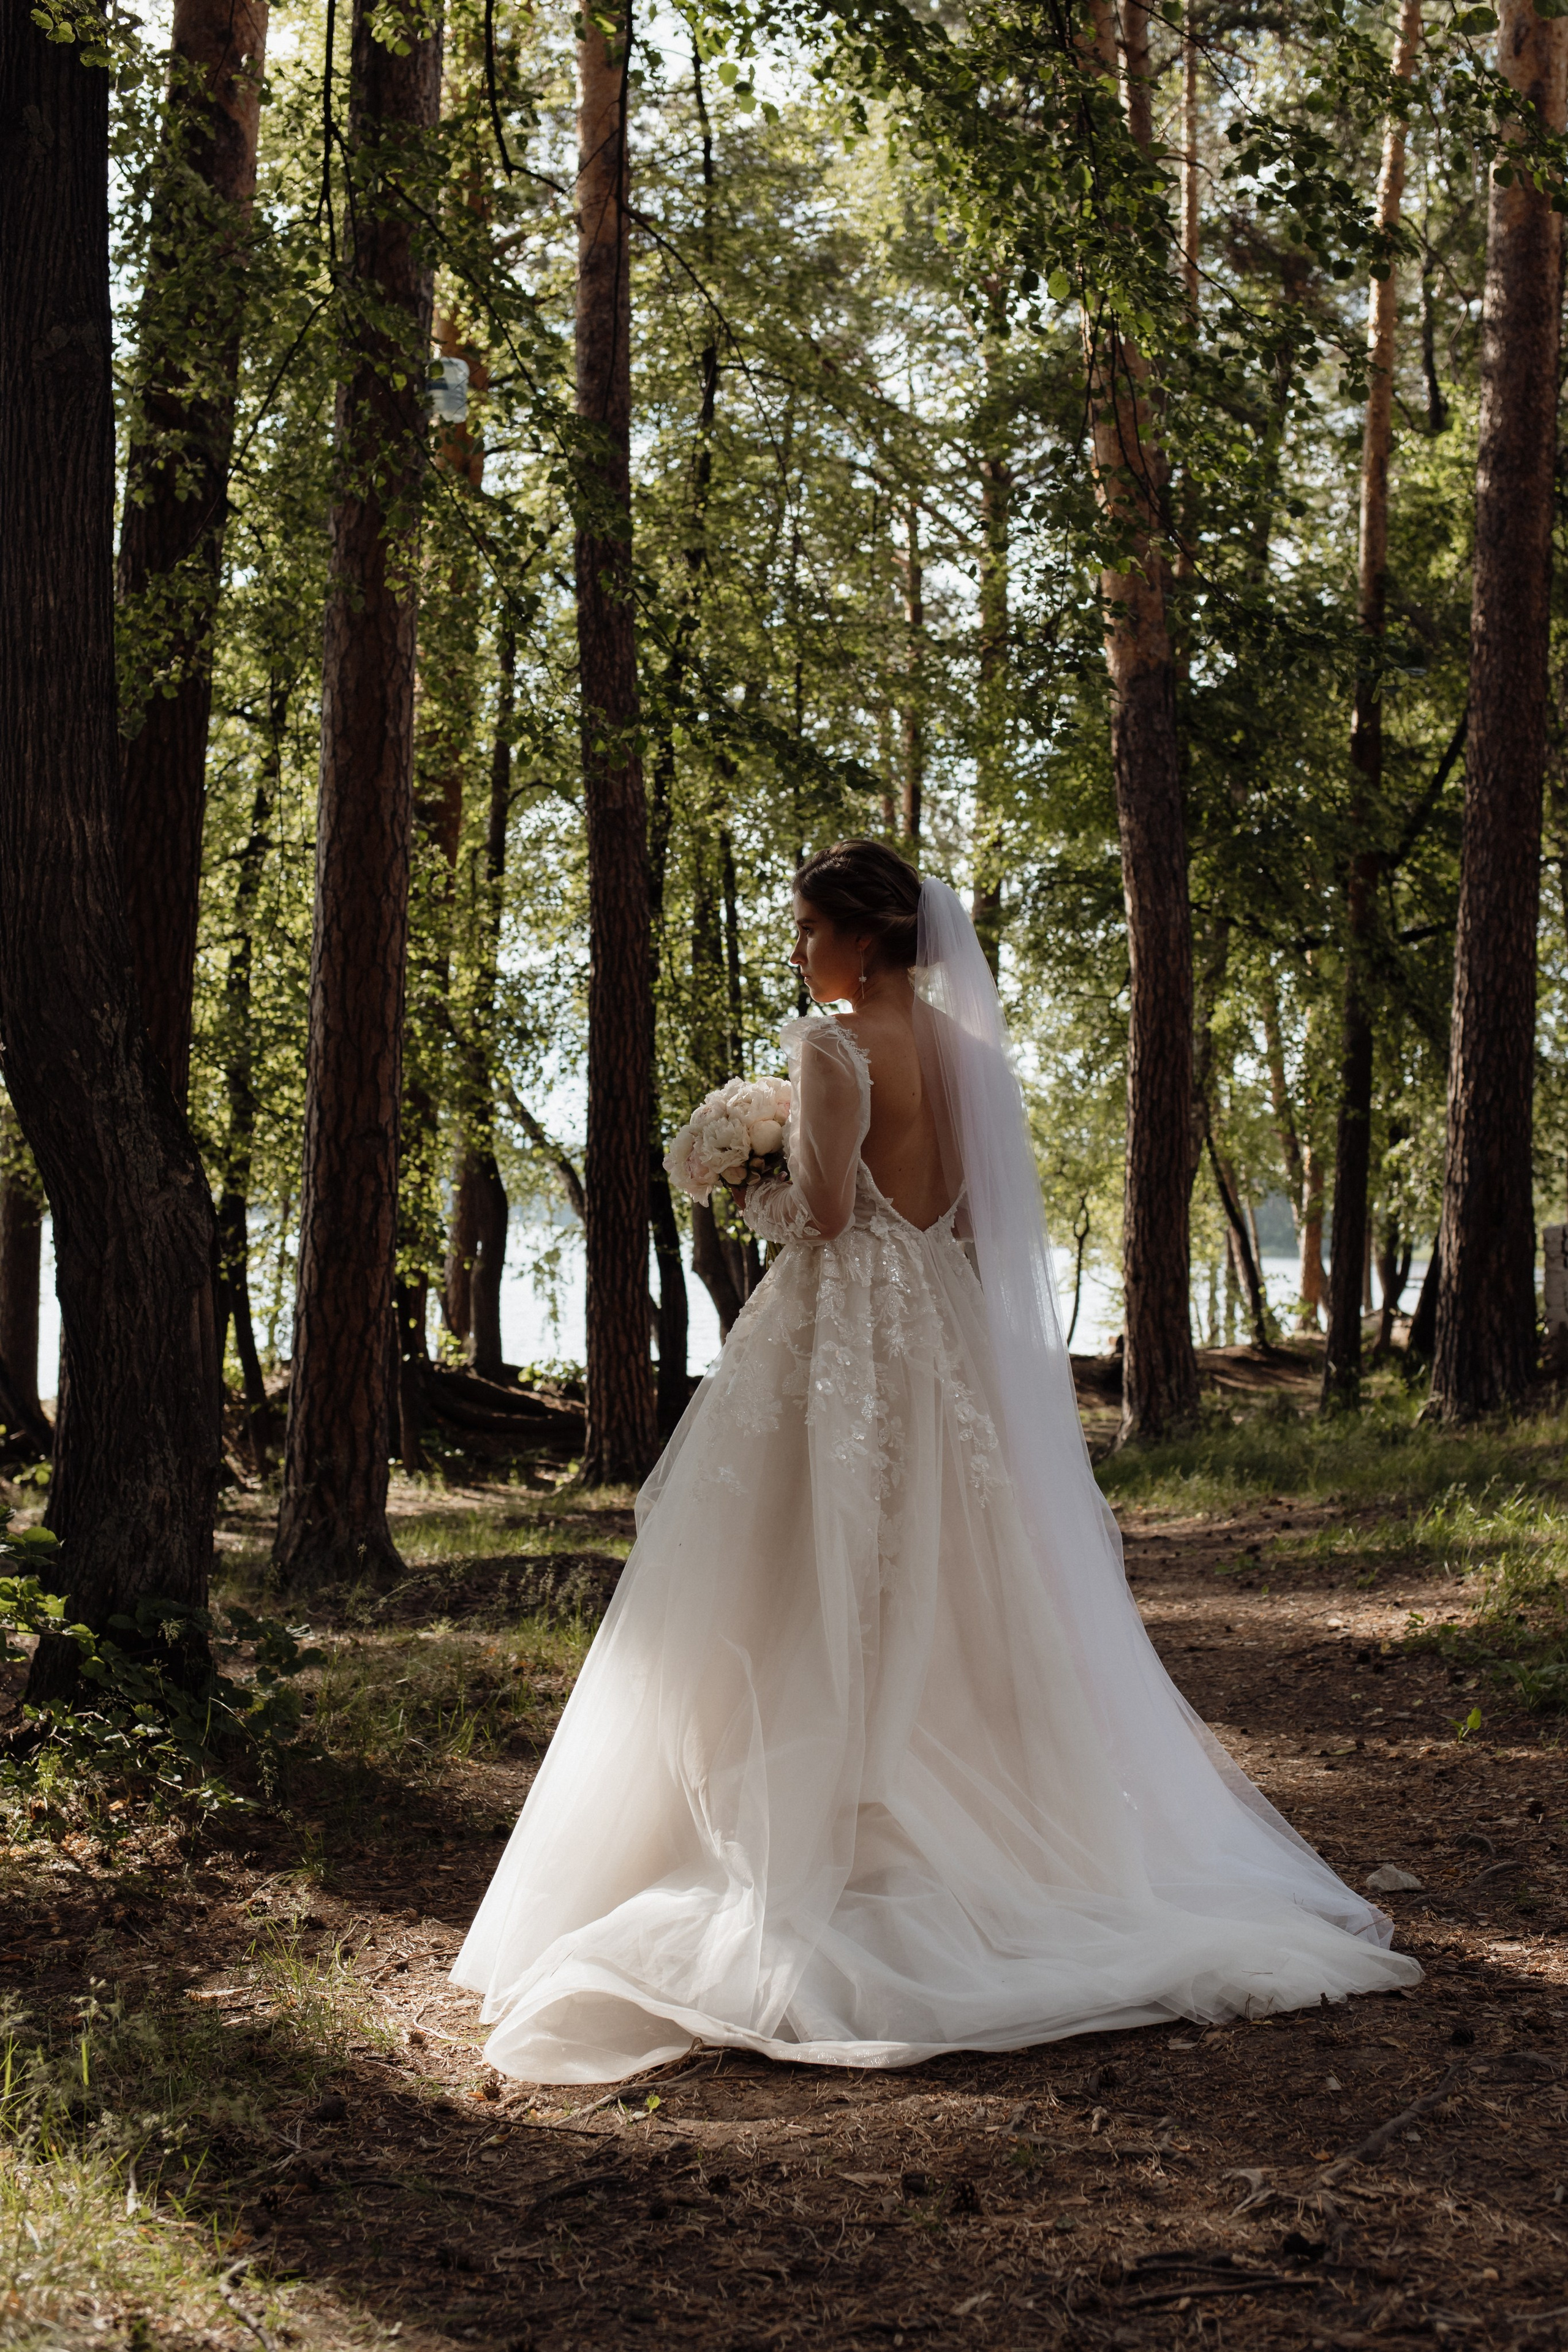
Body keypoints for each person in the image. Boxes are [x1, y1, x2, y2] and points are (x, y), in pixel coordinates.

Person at [452, 839, 1419, 2082]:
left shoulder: (829, 1044)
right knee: (951, 1559)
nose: (799, 950)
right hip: (940, 1323)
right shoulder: (966, 1055)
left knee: (807, 1551)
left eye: (808, 929)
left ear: (859, 939)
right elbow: (956, 1211)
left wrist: (747, 1178)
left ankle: (835, 1812)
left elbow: (829, 1215)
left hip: (844, 1318)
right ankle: (966, 1805)